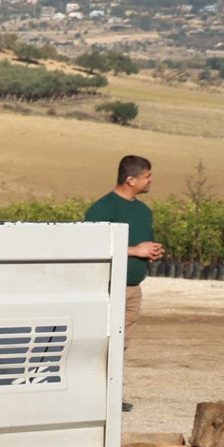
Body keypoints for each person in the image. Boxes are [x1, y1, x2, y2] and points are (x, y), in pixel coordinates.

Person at [85, 155, 164, 409]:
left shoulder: (144, 211)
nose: (151, 180)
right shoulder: (102, 209)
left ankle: (111, 396)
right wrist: (135, 251)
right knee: (102, 342)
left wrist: (152, 251)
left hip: (132, 289)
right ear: (131, 180)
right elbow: (92, 247)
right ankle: (95, 395)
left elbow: (144, 243)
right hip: (108, 288)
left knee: (122, 344)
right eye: (147, 176)